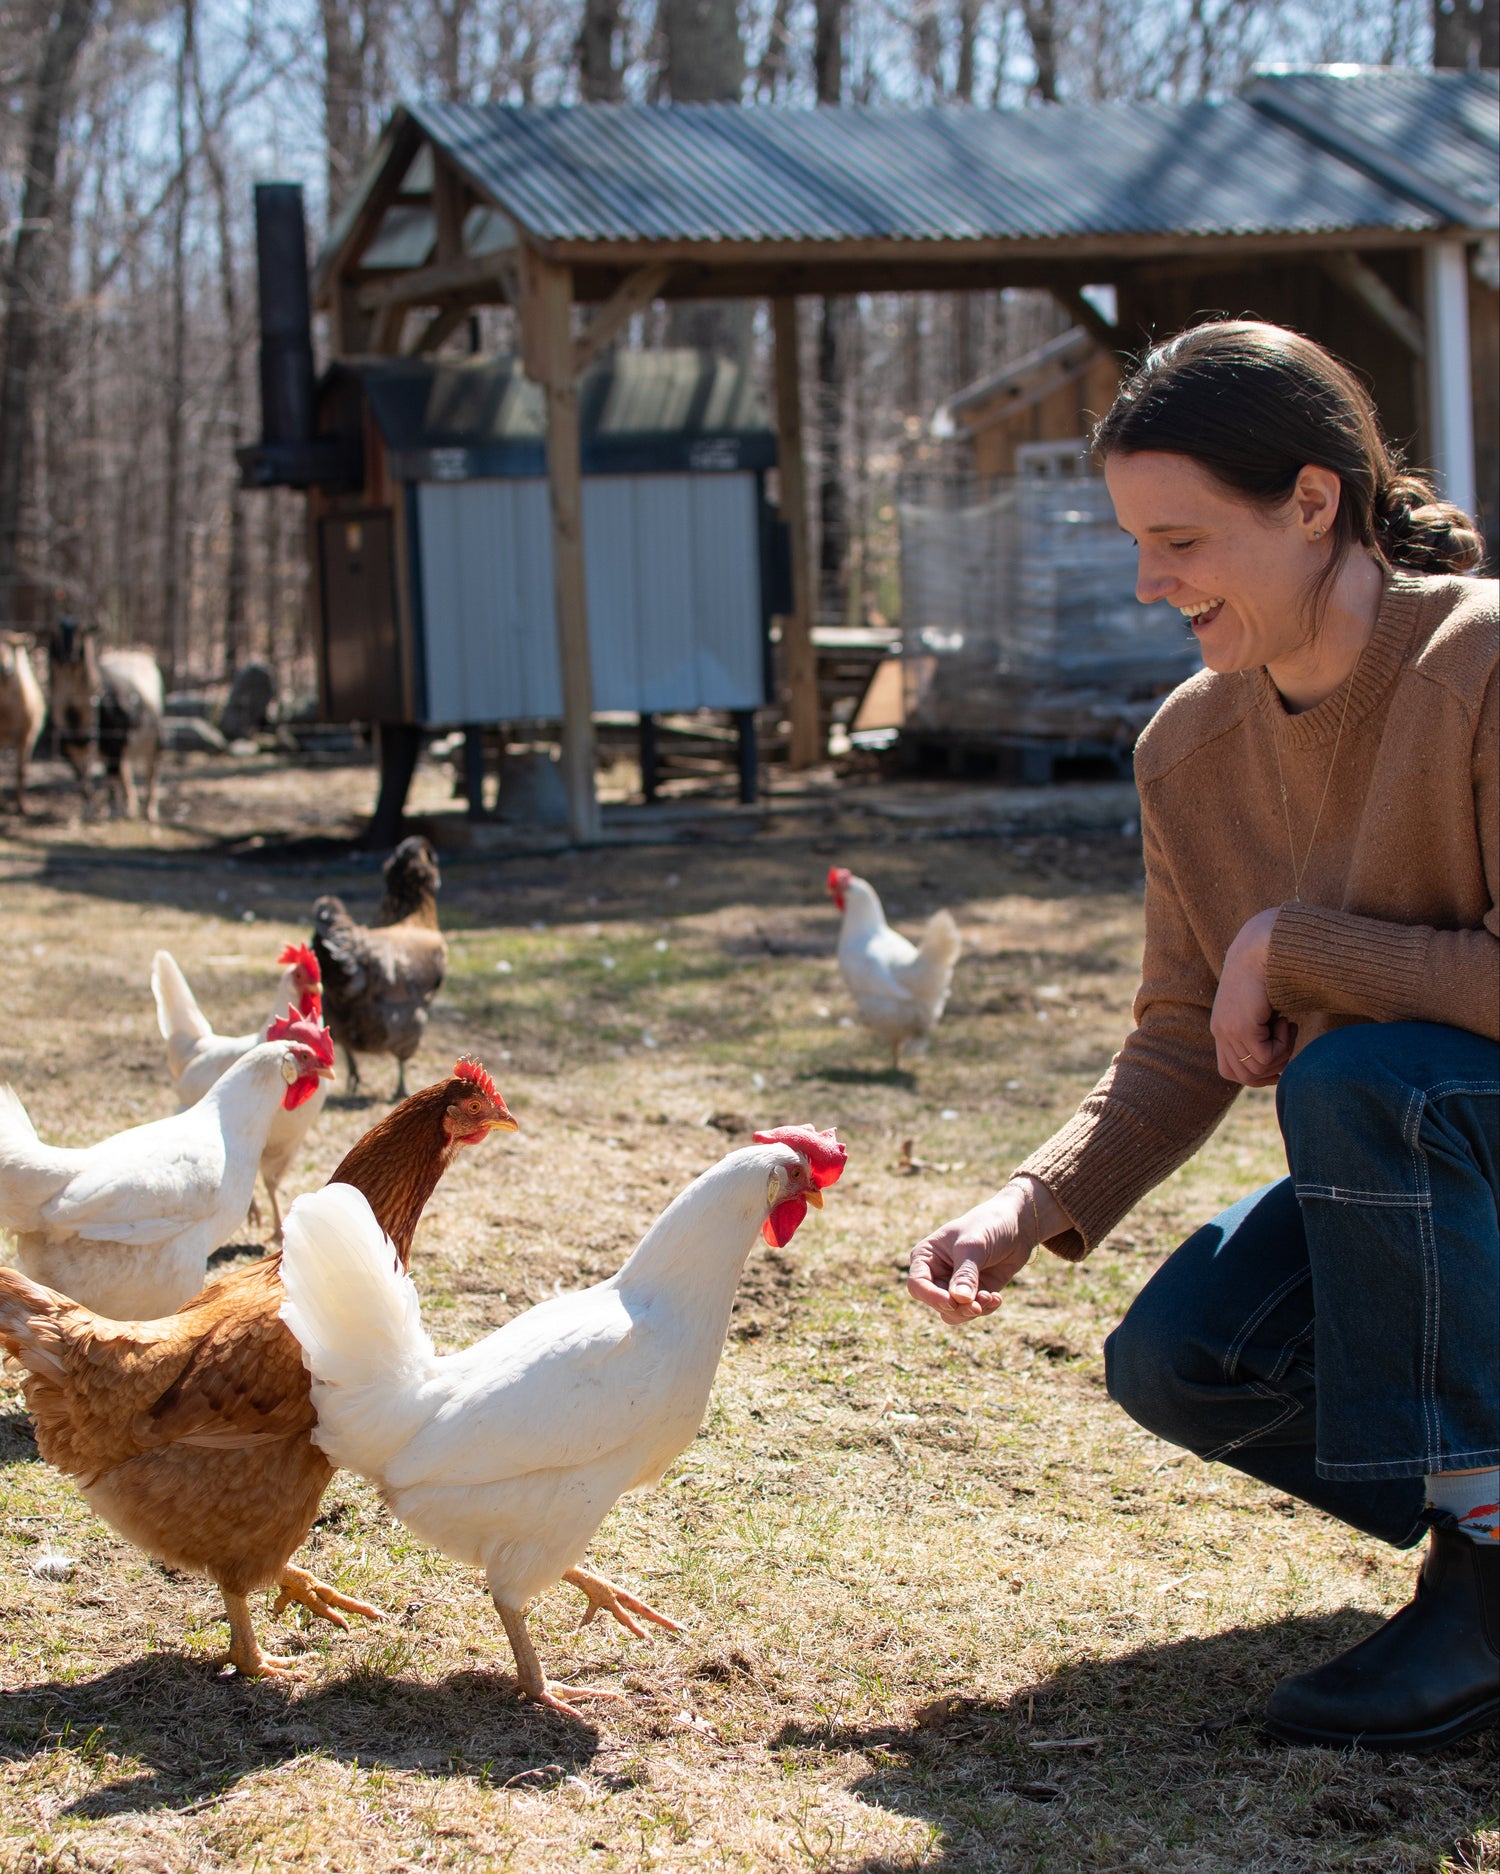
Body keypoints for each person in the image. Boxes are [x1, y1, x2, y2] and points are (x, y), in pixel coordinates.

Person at [908, 321, 1498, 1753]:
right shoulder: (1187, 745)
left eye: (1178, 538)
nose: (1147, 580)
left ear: (1312, 502)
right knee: (1183, 1354)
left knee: (1361, 1077)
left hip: (1447, 1138)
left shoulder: (1480, 662)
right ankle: (1483, 1502)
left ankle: (1489, 1586)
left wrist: (1290, 943)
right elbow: (1184, 1033)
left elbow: (1296, 990)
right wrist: (1028, 1201)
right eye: (1131, 541)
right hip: (1431, 1173)